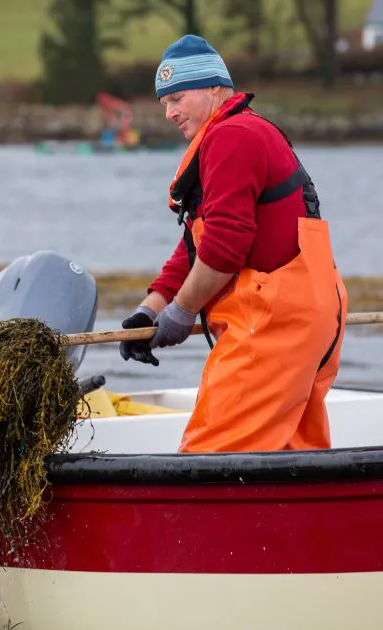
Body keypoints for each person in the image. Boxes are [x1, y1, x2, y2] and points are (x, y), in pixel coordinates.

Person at [119, 34, 348, 453]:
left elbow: (224, 249)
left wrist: (182, 313)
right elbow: (196, 244)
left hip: (272, 327)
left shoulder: (231, 137)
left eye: (177, 98)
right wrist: (148, 311)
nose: (169, 113)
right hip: (311, 316)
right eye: (164, 104)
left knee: (211, 454)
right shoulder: (239, 132)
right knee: (294, 457)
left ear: (212, 87)